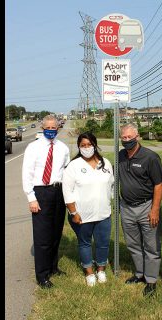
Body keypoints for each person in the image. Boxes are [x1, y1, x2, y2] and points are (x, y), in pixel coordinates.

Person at [22, 115, 70, 289]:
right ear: (42, 128)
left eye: (54, 127)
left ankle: (53, 267)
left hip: (59, 191)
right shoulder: (33, 148)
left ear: (58, 128)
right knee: (43, 236)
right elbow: (26, 174)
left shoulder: (63, 148)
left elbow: (66, 170)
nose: (51, 130)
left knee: (56, 232)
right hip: (41, 192)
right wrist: (31, 197)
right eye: (47, 127)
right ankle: (42, 276)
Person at [62, 132, 114, 287]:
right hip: (82, 215)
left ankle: (101, 270)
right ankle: (89, 272)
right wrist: (73, 213)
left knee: (102, 243)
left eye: (89, 144)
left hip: (103, 213)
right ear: (79, 147)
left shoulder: (105, 163)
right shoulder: (74, 166)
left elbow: (111, 185)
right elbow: (67, 191)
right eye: (83, 145)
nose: (86, 148)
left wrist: (109, 202)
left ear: (95, 145)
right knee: (85, 243)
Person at [118, 123, 162, 297]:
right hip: (127, 207)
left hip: (146, 207)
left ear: (137, 137)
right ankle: (139, 274)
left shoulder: (150, 157)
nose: (127, 140)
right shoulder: (120, 156)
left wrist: (154, 209)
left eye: (130, 137)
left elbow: (158, 185)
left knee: (151, 246)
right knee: (133, 244)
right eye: (124, 138)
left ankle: (151, 280)